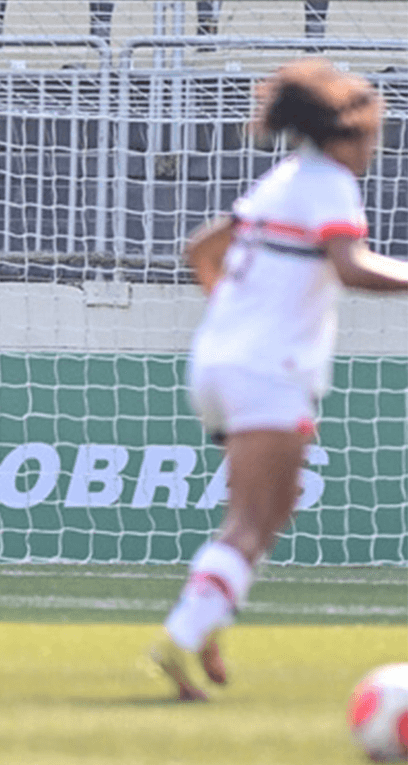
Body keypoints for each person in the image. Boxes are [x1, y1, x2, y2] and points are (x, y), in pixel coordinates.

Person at [150, 58, 408, 701]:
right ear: (343, 135)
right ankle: (182, 637)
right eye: (371, 136)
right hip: (269, 371)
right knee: (255, 520)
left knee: (266, 509)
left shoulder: (282, 180)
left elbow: (200, 249)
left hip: (217, 362)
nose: (374, 148)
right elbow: (349, 267)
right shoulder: (327, 184)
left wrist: (238, 318)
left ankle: (203, 622)